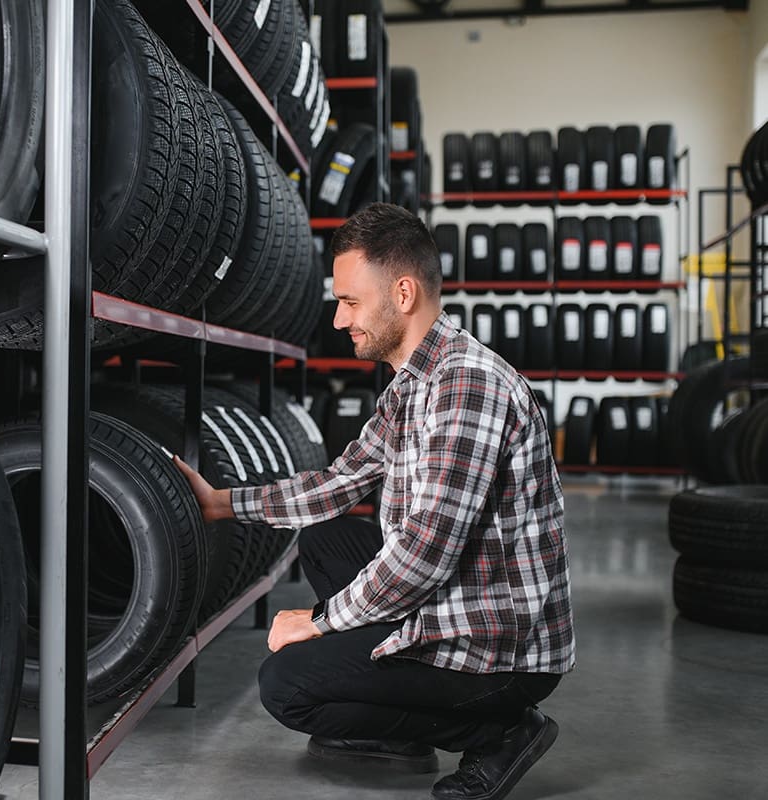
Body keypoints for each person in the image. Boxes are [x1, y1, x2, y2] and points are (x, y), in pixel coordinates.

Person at [173, 202, 574, 800]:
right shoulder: (413, 382)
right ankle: (397, 713)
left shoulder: (467, 386)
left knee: (286, 685)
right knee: (326, 536)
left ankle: (501, 732)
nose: (339, 320)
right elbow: (340, 482)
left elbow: (424, 555)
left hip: (498, 648)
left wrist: (320, 622)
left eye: (350, 302)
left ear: (403, 293)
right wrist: (221, 503)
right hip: (462, 592)